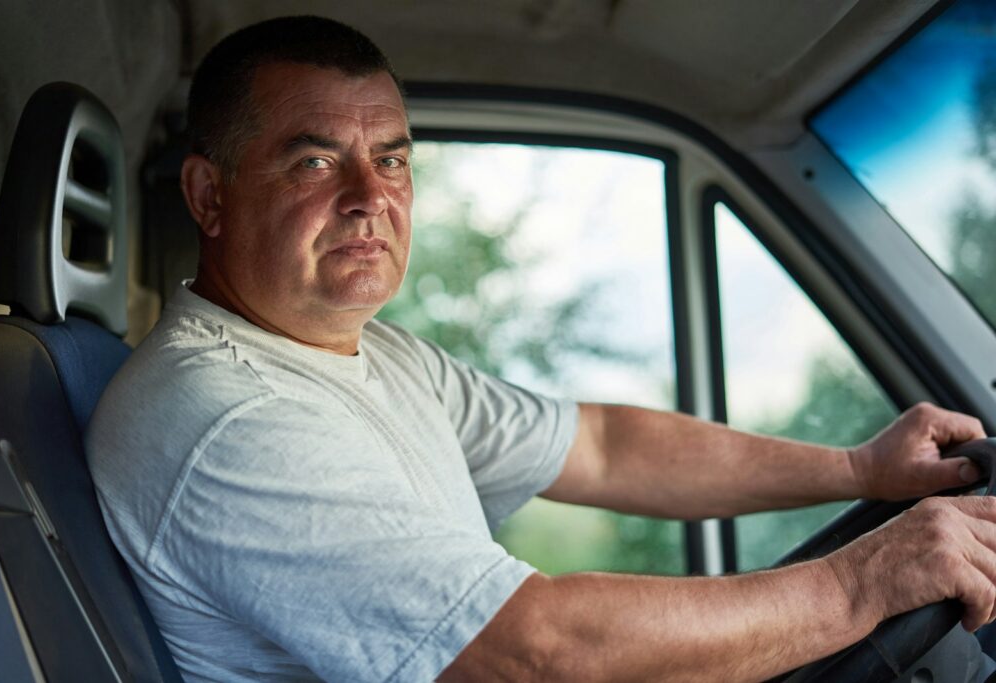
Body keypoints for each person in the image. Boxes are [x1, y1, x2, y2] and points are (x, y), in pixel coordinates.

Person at [86, 15, 996, 683]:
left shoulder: (376, 356)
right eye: (315, 162)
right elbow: (532, 652)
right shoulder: (224, 414)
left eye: (392, 159)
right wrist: (860, 584)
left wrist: (859, 469)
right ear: (209, 195)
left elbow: (601, 446)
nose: (371, 196)